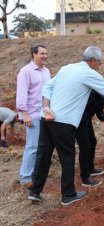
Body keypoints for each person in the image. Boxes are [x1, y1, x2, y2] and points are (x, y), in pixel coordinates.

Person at [28, 46, 104, 206]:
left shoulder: (66, 68)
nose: (99, 66)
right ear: (93, 61)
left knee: (43, 155)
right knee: (67, 157)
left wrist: (46, 107)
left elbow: (47, 86)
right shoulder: (90, 73)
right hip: (63, 122)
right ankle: (68, 195)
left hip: (46, 118)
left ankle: (35, 191)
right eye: (99, 63)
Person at [16, 44, 51, 189]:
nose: (45, 56)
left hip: (45, 113)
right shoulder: (25, 71)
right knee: (32, 146)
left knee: (41, 146)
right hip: (32, 114)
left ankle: (35, 173)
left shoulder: (46, 71)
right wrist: (25, 115)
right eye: (42, 53)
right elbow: (22, 94)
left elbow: (48, 91)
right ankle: (25, 177)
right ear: (33, 55)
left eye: (46, 53)